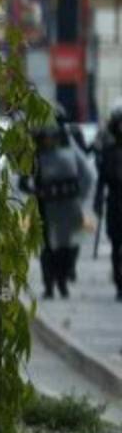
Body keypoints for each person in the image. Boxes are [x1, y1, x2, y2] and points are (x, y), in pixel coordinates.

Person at [25, 122, 93, 298]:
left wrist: (80, 197)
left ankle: (62, 281)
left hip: (67, 207)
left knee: (66, 247)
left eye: (51, 137)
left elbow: (86, 176)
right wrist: (35, 191)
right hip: (44, 207)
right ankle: (49, 285)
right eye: (45, 138)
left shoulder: (70, 153)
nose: (48, 141)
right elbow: (23, 182)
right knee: (47, 248)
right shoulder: (35, 158)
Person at [95, 103, 122, 301]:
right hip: (114, 201)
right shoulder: (109, 151)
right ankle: (119, 283)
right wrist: (97, 201)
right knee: (115, 245)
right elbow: (101, 179)